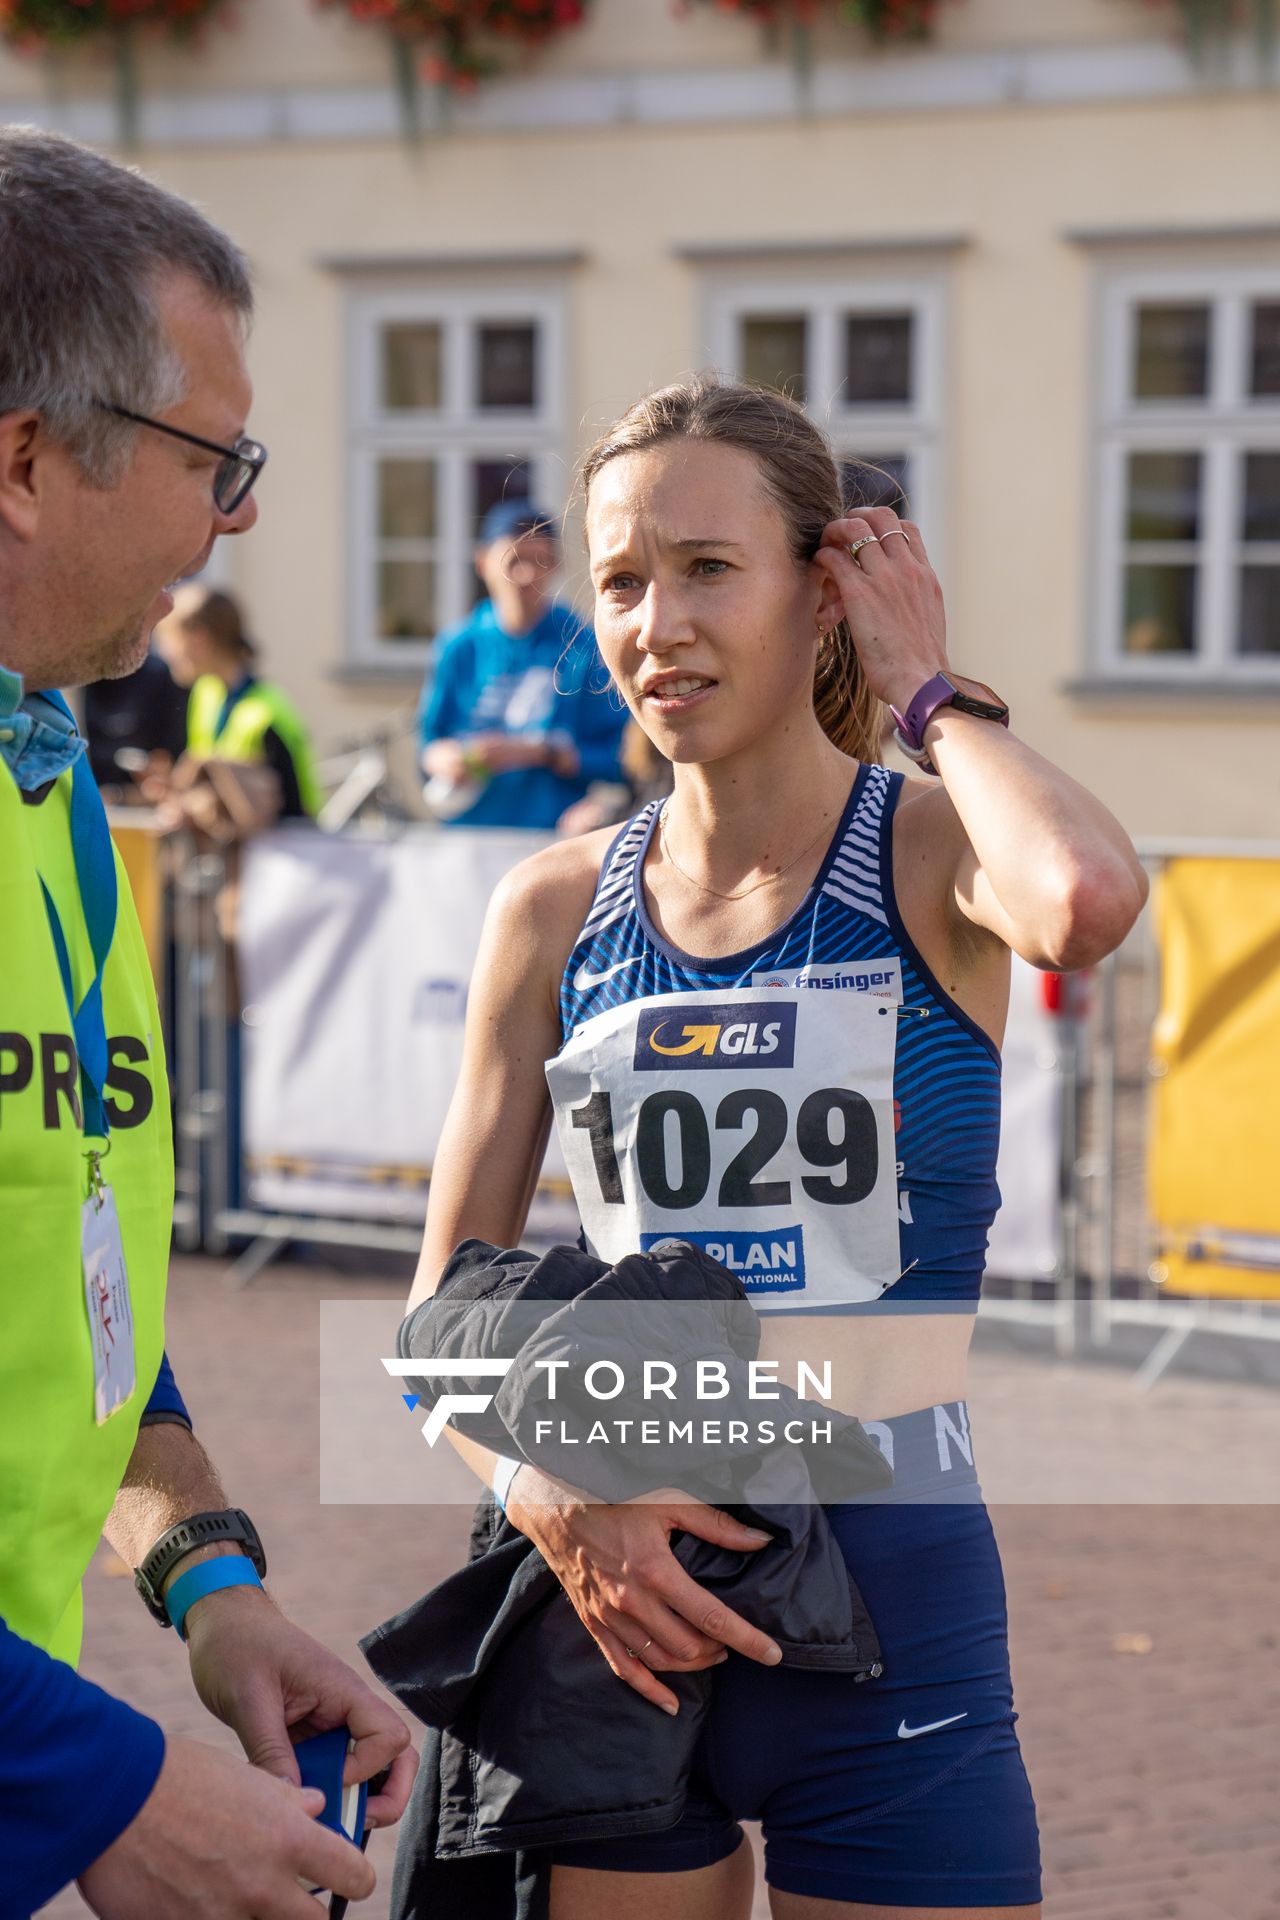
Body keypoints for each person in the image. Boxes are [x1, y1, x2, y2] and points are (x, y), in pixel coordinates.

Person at [402, 374, 1149, 1918]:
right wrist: (548, 1488)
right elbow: (439, 1316)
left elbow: (1081, 897)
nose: (653, 622)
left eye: (706, 567)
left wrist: (927, 686)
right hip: (623, 1613)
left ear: (828, 591)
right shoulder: (551, 911)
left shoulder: (931, 851)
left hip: (890, 1611)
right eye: (619, 579)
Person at [0, 126, 414, 1919]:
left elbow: (68, 1274)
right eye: (213, 460)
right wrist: (97, 1787)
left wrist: (208, 1579)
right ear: (27, 458)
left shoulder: (60, 785)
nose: (236, 518)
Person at [417, 499, 627, 827]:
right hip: (467, 838)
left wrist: (540, 753)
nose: (527, 574)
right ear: (483, 562)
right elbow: (429, 745)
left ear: (557, 565)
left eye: (540, 560)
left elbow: (622, 757)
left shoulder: (583, 644)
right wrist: (449, 760)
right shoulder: (459, 646)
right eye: (513, 561)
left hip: (551, 839)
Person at [155, 582, 323, 820]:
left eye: (168, 640)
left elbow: (294, 810)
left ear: (199, 639)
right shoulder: (206, 693)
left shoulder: (268, 712)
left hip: (282, 846)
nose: (164, 653)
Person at [83, 642, 188, 799]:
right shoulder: (73, 679)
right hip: (86, 797)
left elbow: (170, 762)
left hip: (141, 805)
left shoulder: (159, 676)